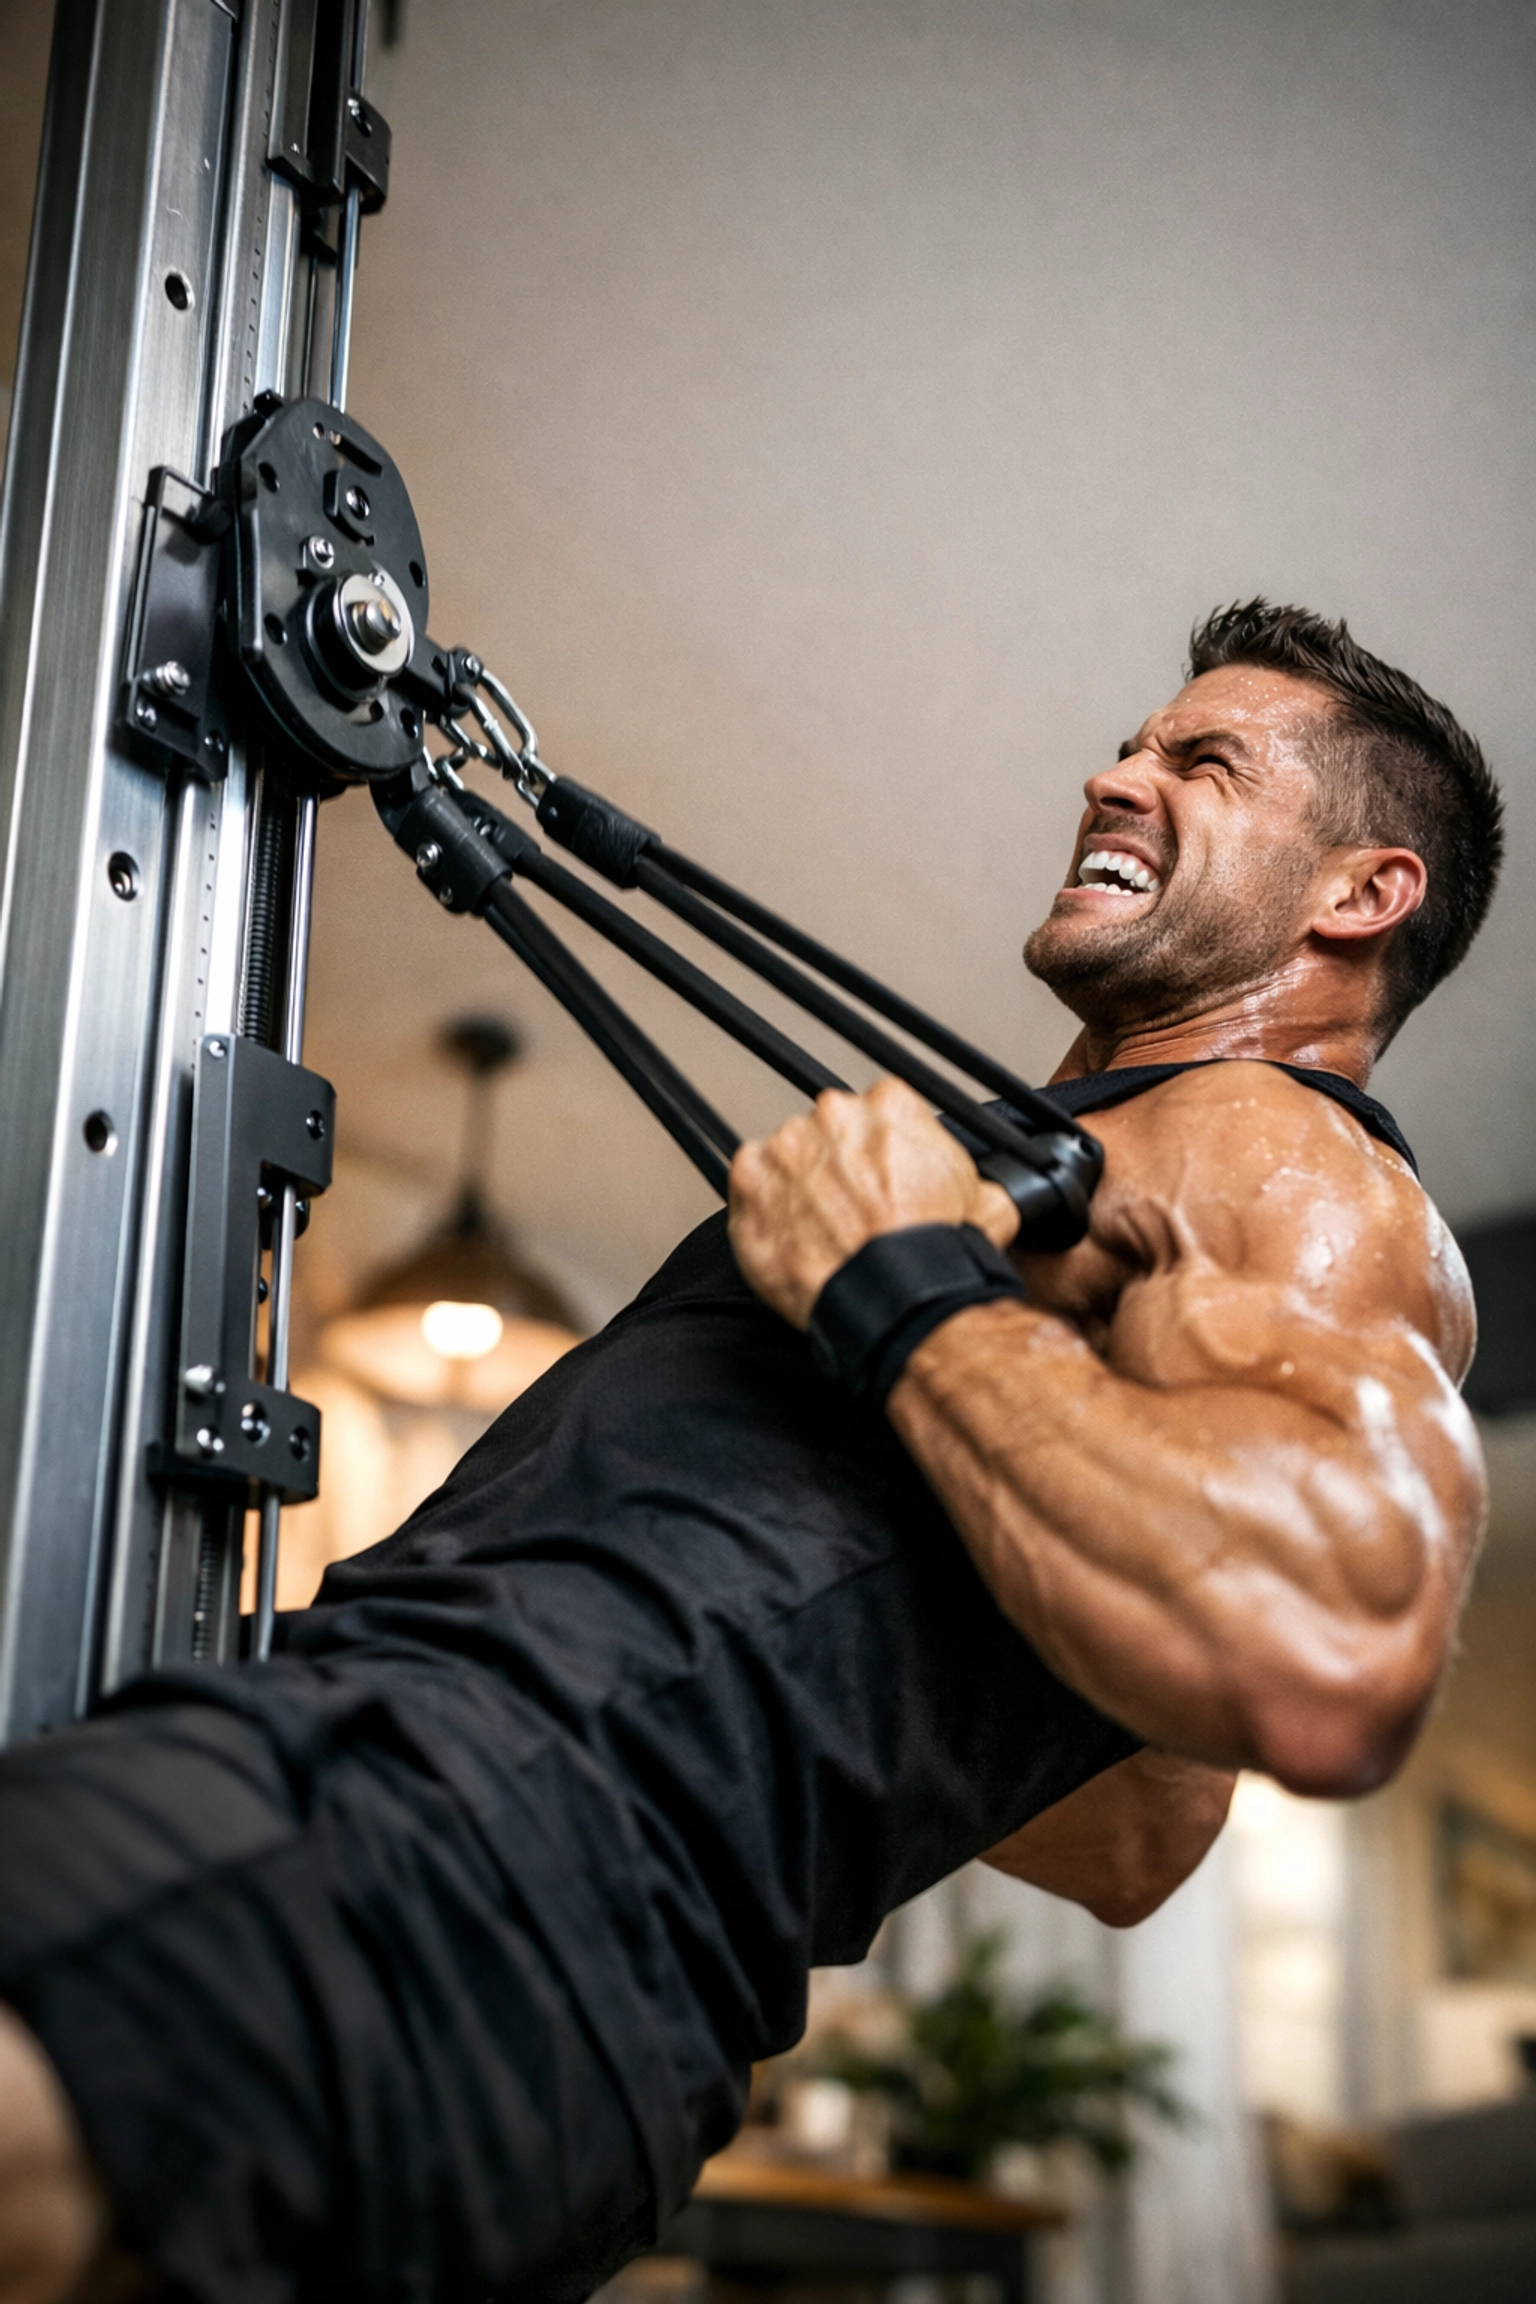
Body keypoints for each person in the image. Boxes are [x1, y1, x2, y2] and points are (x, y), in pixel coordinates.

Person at [0, 601, 1500, 2304]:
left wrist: (897, 1294)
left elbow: (1327, 1647)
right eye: (1135, 741)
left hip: (472, 1820)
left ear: (1361, 894)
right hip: (600, 1977)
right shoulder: (1105, 1213)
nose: (1113, 774)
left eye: (1201, 760)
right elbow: (1135, 1840)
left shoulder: (1273, 1155)